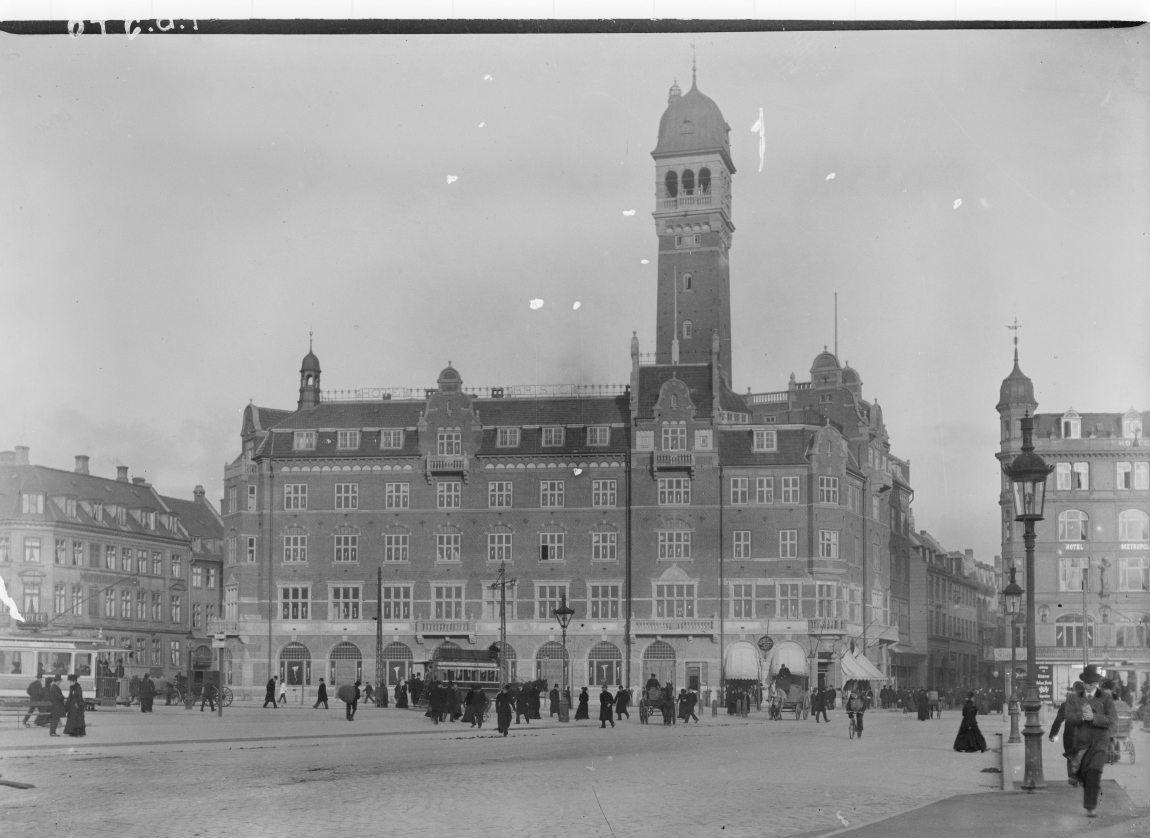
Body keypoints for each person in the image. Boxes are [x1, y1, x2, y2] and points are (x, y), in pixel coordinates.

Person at [1065, 665, 1116, 817]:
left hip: (1100, 742)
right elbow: (1068, 717)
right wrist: (1082, 716)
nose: (1090, 686)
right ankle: (1087, 790)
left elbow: (1112, 720)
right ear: (1084, 682)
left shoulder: (1106, 698)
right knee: (1085, 774)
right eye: (1087, 683)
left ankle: (1090, 807)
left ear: (1097, 683)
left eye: (1093, 682)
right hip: (1081, 744)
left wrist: (1094, 718)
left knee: (1094, 772)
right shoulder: (1074, 698)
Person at [1050, 683, 1084, 785]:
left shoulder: (1066, 704)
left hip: (1070, 735)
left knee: (1071, 756)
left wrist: (1053, 734)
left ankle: (1073, 777)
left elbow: (1058, 720)